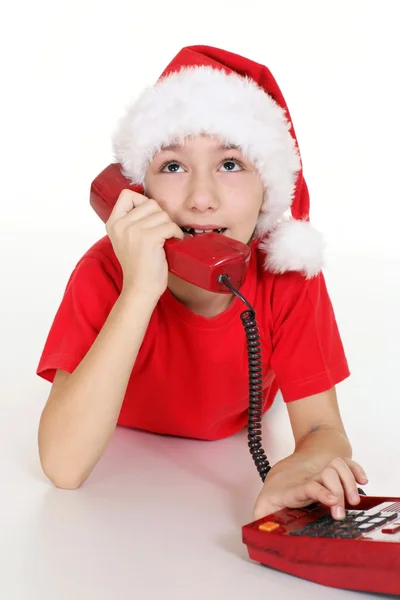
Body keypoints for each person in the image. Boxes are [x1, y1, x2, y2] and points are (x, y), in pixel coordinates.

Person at [36, 44, 368, 521]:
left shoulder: (285, 275)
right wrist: (139, 290)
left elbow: (322, 427)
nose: (201, 199)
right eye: (172, 167)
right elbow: (63, 468)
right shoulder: (104, 272)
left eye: (230, 164)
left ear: (268, 191)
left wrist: (302, 465)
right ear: (137, 189)